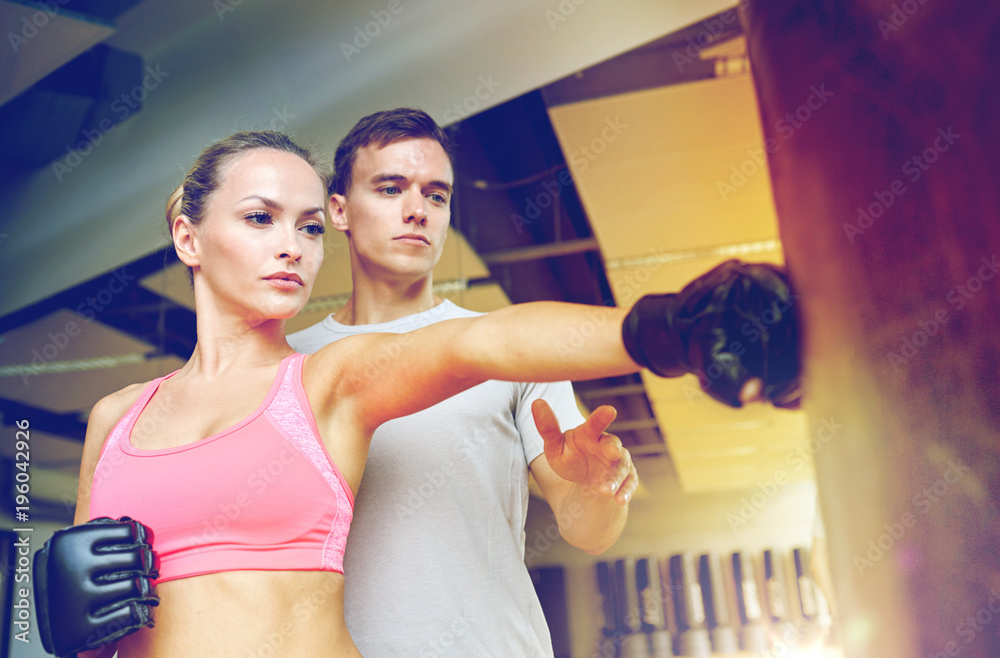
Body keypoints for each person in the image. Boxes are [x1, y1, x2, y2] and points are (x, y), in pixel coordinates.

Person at [33, 130, 799, 658]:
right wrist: (63, 630)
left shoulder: (327, 380)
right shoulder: (117, 418)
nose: (291, 246)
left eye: (307, 229)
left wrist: (664, 329)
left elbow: (481, 344)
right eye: (260, 218)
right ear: (188, 236)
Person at [285, 108, 635, 656]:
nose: (416, 210)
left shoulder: (511, 349)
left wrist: (597, 491)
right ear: (339, 210)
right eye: (390, 188)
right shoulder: (288, 363)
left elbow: (589, 531)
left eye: (436, 195)